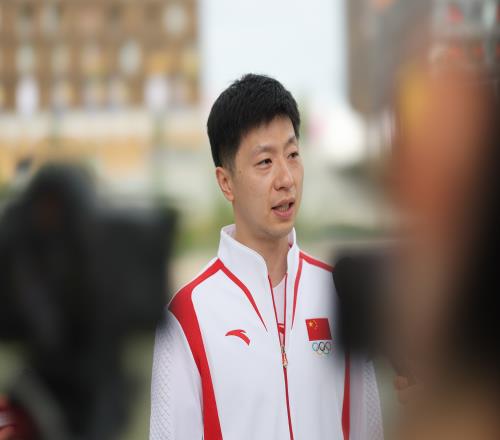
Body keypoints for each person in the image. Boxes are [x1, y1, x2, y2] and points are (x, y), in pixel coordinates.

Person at [149, 74, 383, 439]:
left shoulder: (341, 294)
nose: (286, 178)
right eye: (265, 162)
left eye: (292, 155)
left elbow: (369, 430)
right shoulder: (187, 316)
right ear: (226, 182)